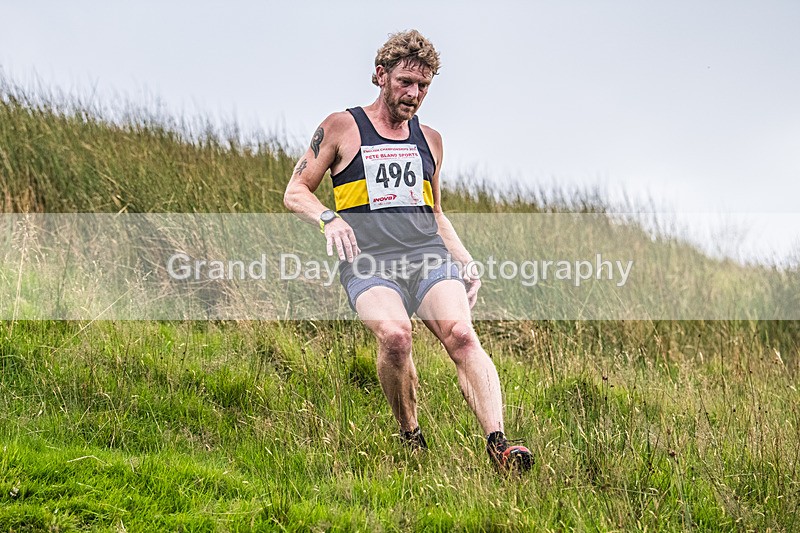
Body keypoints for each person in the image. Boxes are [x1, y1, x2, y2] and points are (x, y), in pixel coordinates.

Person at [283, 30, 531, 473]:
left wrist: (465, 259)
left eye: (423, 86)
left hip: (427, 256)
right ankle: (410, 434)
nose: (414, 94)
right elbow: (295, 190)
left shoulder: (430, 139)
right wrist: (329, 218)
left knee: (462, 335)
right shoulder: (342, 127)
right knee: (396, 338)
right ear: (381, 75)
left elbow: (434, 212)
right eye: (405, 82)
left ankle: (500, 445)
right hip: (369, 263)